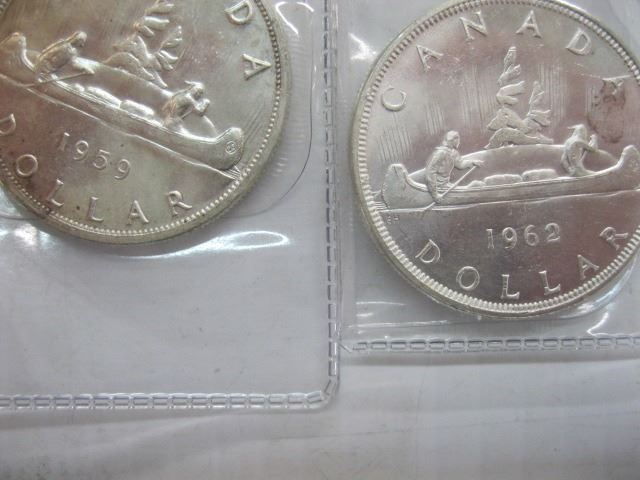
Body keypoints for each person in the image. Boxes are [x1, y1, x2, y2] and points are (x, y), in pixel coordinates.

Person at [425, 131, 482, 200]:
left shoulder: (453, 152)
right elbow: (430, 172)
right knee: (471, 187)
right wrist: (435, 194)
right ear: (451, 140)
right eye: (457, 138)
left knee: (474, 185)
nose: (459, 141)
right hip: (438, 186)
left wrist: (473, 162)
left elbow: (460, 164)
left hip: (446, 184)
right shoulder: (441, 153)